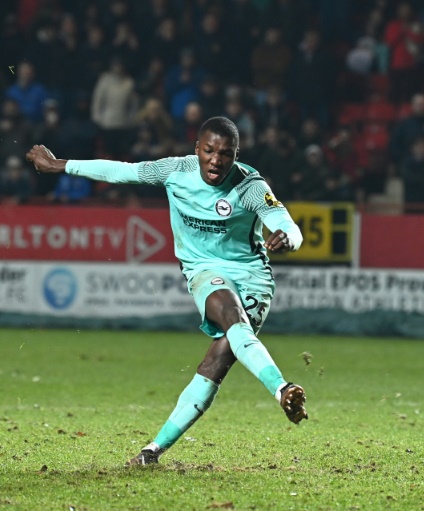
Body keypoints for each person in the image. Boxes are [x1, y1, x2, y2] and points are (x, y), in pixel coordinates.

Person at [26, 116, 308, 466]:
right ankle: (282, 389)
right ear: (197, 149)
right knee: (230, 315)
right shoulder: (175, 171)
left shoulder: (250, 186)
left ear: (236, 155)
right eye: (209, 151)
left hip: (253, 278)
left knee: (214, 363)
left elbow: (286, 224)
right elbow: (122, 171)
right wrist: (61, 165)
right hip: (205, 271)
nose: (216, 161)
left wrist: (288, 239)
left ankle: (152, 452)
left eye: (225, 154)